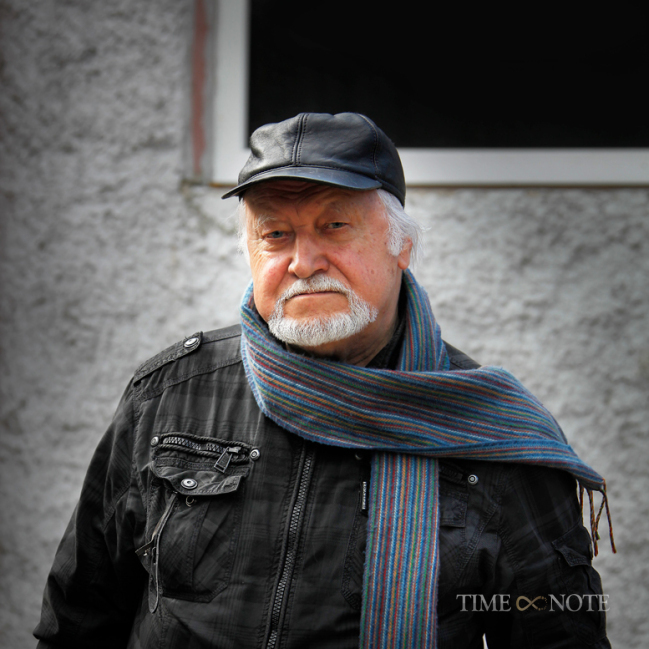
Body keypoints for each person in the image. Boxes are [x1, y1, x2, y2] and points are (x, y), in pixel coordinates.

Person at [34, 112, 613, 649]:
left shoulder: (491, 431)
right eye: (275, 234)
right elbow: (78, 619)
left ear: (402, 246)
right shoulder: (169, 396)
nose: (303, 261)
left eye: (334, 226)